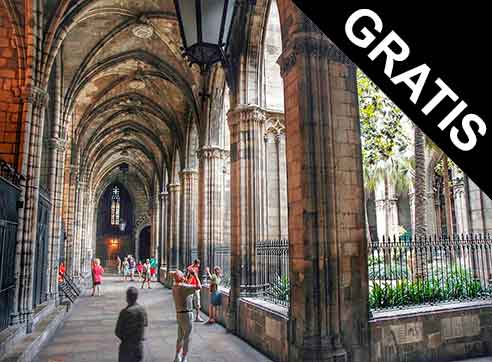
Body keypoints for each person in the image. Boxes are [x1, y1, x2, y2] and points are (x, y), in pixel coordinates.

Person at [172, 269, 201, 362]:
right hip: (187, 314)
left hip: (179, 314)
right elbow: (199, 286)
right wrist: (195, 275)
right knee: (187, 338)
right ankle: (184, 358)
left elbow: (186, 285)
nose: (184, 276)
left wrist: (186, 277)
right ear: (180, 278)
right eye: (183, 275)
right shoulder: (184, 287)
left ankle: (177, 356)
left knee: (180, 337)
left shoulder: (175, 286)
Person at [115, 286, 148, 362]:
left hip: (127, 346)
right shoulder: (142, 310)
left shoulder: (124, 312)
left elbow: (117, 331)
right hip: (138, 345)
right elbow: (145, 324)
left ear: (127, 298)